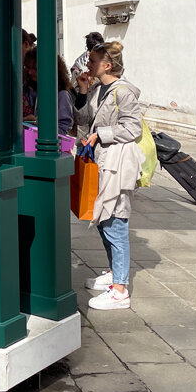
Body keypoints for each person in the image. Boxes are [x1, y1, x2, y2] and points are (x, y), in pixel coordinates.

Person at [74, 41, 143, 310]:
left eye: (92, 61)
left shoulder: (123, 92)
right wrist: (81, 91)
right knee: (104, 220)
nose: (88, 64)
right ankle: (115, 274)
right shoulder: (97, 89)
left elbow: (133, 128)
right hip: (102, 162)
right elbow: (82, 120)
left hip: (118, 163)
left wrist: (101, 134)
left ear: (107, 65)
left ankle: (120, 290)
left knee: (116, 222)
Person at [57, 54, 74, 135]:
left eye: (35, 69)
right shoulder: (29, 89)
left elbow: (64, 125)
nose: (30, 72)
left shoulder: (62, 94)